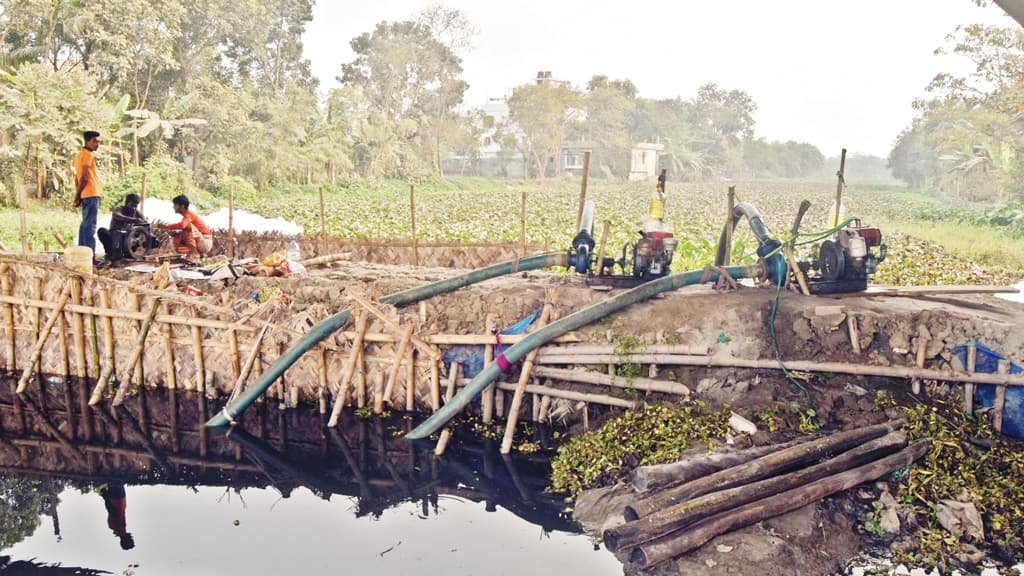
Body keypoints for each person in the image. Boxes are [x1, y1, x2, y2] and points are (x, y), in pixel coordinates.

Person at [73, 131, 103, 253]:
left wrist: (78, 193)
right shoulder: (88, 155)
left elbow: (77, 177)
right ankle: (89, 253)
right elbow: (84, 177)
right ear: (87, 141)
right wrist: (77, 195)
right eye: (94, 141)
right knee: (90, 226)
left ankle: (82, 251)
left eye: (98, 141)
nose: (97, 144)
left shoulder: (79, 155)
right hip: (91, 193)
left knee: (85, 224)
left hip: (86, 194)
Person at [97, 193, 149, 263]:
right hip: (113, 236)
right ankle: (110, 254)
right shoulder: (119, 209)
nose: (134, 207)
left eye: (136, 205)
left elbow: (145, 223)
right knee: (102, 231)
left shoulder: (137, 212)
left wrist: (141, 222)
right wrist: (133, 219)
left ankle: (126, 255)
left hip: (127, 240)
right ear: (127, 203)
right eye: (132, 205)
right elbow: (117, 216)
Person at [167, 194, 213, 260]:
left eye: (175, 205)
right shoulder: (187, 216)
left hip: (205, 242)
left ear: (182, 206)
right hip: (201, 241)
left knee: (188, 227)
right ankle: (188, 254)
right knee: (176, 235)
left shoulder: (189, 214)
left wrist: (167, 227)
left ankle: (195, 254)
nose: (173, 207)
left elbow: (182, 225)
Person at [97, 482, 134, 550]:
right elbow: (110, 510)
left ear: (126, 540)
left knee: (116, 480)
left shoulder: (119, 528)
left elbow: (112, 510)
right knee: (115, 479)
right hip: (117, 499)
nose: (132, 538)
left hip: (117, 498)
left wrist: (105, 496)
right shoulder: (115, 528)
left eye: (131, 540)